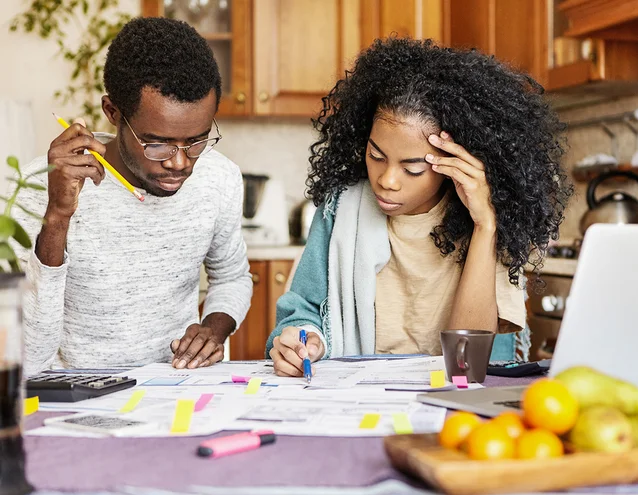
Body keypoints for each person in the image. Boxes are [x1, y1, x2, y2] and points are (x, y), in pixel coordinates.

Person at [267, 38, 571, 377]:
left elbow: (468, 364)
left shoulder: (487, 221)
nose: (387, 180)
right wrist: (301, 339)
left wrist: (486, 226)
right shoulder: (340, 210)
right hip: (360, 399)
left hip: (453, 400)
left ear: (453, 162)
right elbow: (304, 310)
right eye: (375, 155)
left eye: (412, 168)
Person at [14, 17, 253, 374]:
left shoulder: (219, 178)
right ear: (112, 113)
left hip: (178, 394)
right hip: (74, 403)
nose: (180, 163)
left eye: (197, 140)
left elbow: (232, 276)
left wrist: (212, 330)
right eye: (157, 143)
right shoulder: (38, 188)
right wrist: (57, 217)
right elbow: (27, 357)